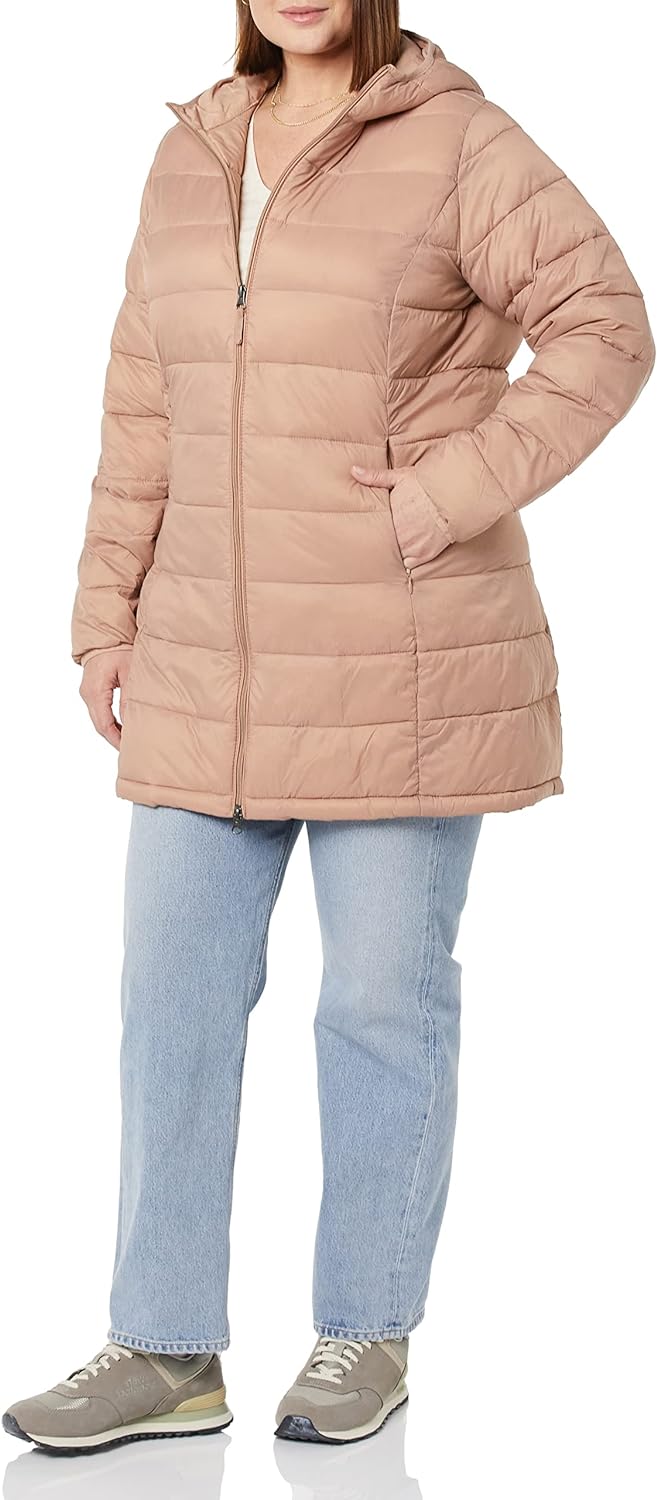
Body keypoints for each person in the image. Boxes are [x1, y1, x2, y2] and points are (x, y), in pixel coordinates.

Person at [4, 0, 653, 1457]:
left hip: (396, 664)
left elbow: (606, 326)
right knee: (171, 1006)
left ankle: (366, 1330)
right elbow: (142, 405)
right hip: (203, 656)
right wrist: (103, 615)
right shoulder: (191, 151)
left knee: (378, 1008)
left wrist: (447, 492)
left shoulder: (461, 140)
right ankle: (165, 1345)